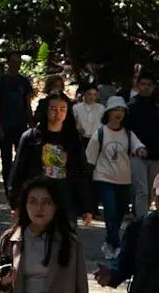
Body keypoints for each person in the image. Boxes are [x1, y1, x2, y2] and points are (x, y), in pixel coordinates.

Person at [7, 93, 95, 226]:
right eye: (53, 109)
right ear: (46, 110)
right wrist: (15, 204)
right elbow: (18, 171)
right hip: (37, 201)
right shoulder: (31, 138)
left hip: (65, 201)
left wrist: (87, 207)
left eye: (62, 109)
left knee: (64, 243)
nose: (58, 113)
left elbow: (82, 172)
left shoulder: (73, 139)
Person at [88, 97, 146, 260]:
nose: (118, 113)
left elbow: (137, 145)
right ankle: (118, 245)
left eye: (121, 110)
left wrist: (141, 150)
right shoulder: (99, 133)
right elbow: (90, 159)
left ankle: (109, 243)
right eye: (115, 110)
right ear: (108, 113)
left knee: (120, 213)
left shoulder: (128, 134)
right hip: (104, 178)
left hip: (123, 179)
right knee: (110, 211)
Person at [124, 68, 159, 218]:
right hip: (137, 154)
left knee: (150, 190)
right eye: (143, 84)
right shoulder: (131, 108)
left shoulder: (158, 109)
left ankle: (142, 215)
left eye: (149, 84)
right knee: (141, 189)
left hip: (155, 155)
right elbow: (127, 131)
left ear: (153, 87)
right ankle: (141, 221)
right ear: (138, 85)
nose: (146, 87)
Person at [0, 58, 35, 179]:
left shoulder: (24, 82)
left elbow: (27, 103)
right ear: (8, 63)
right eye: (14, 62)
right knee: (6, 159)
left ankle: (19, 185)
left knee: (22, 157)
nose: (17, 65)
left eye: (19, 62)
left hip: (21, 125)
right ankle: (8, 187)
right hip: (5, 125)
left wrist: (31, 122)